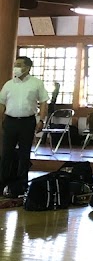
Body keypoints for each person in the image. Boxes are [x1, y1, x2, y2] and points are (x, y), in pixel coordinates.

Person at [0, 56, 49, 196]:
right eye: (15, 64)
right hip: (10, 121)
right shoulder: (9, 84)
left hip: (27, 122)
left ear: (27, 68)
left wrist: (41, 120)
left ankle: (21, 185)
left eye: (19, 64)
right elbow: (2, 103)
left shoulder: (36, 83)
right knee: (6, 154)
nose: (15, 67)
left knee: (24, 154)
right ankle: (2, 183)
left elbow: (44, 102)